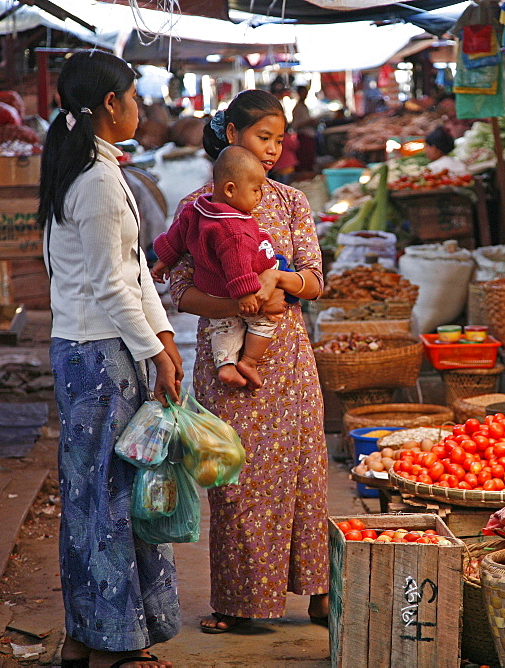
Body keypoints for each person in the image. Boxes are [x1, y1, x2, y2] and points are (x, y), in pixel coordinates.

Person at [38, 50, 182, 668]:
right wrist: (155, 351)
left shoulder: (100, 169)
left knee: (101, 494)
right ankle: (116, 643)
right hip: (96, 356)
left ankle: (92, 635)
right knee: (109, 497)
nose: (141, 107)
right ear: (108, 106)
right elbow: (110, 284)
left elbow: (135, 272)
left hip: (100, 350)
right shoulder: (95, 182)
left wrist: (165, 340)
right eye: (132, 95)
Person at [166, 89, 329, 632]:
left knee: (305, 477)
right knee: (238, 484)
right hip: (227, 361)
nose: (273, 151)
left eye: (280, 140)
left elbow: (315, 279)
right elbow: (180, 291)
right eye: (264, 138)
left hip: (290, 361)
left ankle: (319, 592)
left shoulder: (289, 202)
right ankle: (239, 603)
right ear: (232, 136)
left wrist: (277, 280)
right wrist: (236, 303)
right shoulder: (198, 207)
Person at [151, 146, 285, 390]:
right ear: (230, 189)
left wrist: (164, 260)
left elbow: (176, 238)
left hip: (211, 291)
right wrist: (245, 295)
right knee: (264, 320)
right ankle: (248, 362)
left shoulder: (195, 210)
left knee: (223, 326)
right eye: (255, 190)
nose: (259, 197)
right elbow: (238, 264)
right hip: (236, 291)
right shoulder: (234, 230)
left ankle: (225, 366)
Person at [292, 84, 318, 172]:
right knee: (305, 160)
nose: (305, 95)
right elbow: (295, 125)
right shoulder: (298, 108)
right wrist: (308, 122)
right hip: (304, 136)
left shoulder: (304, 106)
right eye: (304, 92)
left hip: (309, 135)